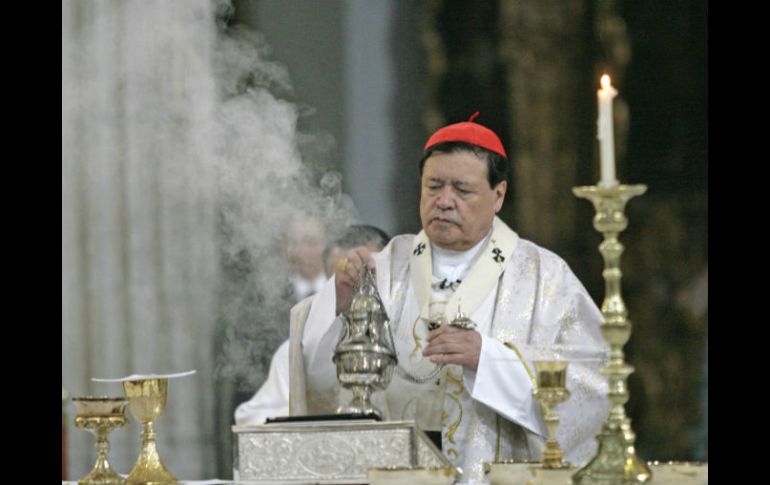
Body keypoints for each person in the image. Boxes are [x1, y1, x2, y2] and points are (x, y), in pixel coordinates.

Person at [288, 114, 610, 483]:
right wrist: (336, 304)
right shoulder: (385, 268)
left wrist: (489, 360)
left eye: (462, 189)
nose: (444, 201)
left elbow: (593, 387)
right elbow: (317, 382)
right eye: (434, 186)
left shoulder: (544, 278)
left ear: (498, 195)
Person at [235, 224, 391, 425]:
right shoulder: (301, 348)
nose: (353, 291)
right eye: (340, 282)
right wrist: (310, 414)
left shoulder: (414, 338)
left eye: (366, 278)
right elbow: (251, 419)